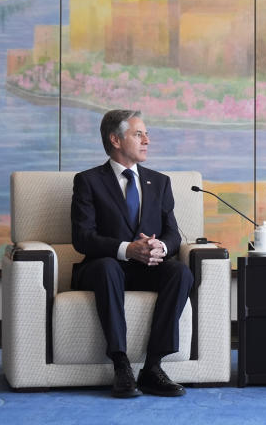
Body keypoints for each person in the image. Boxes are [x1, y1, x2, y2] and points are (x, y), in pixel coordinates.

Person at [71, 109, 192, 398]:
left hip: (148, 267)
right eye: (138, 134)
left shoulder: (159, 182)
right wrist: (128, 250)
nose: (147, 140)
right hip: (104, 268)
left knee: (180, 272)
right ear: (115, 139)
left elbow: (173, 233)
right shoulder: (88, 181)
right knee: (108, 268)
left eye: (146, 134)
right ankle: (121, 364)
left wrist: (159, 247)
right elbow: (82, 238)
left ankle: (152, 367)